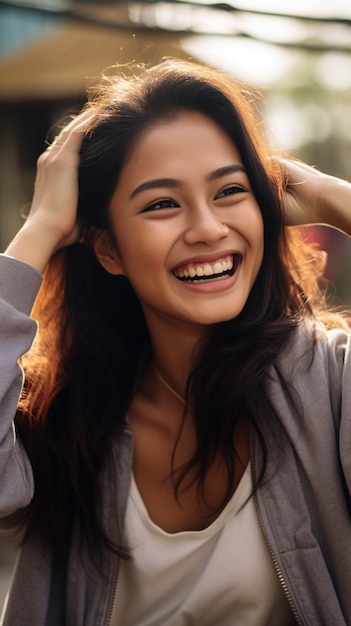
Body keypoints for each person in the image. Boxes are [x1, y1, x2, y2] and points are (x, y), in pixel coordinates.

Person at [0, 58, 350, 626]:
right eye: (162, 203)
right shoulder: (62, 422)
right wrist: (41, 226)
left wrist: (331, 196)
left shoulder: (329, 383)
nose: (208, 228)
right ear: (108, 251)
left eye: (230, 191)